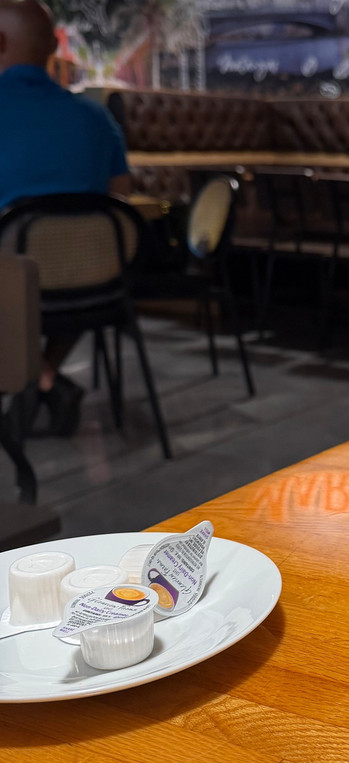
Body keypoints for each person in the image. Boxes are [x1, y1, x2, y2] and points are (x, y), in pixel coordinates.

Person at [0, 0, 132, 436]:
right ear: (52, 48)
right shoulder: (98, 119)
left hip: (9, 291)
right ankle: (45, 376)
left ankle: (34, 376)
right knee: (79, 262)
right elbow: (120, 198)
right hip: (91, 289)